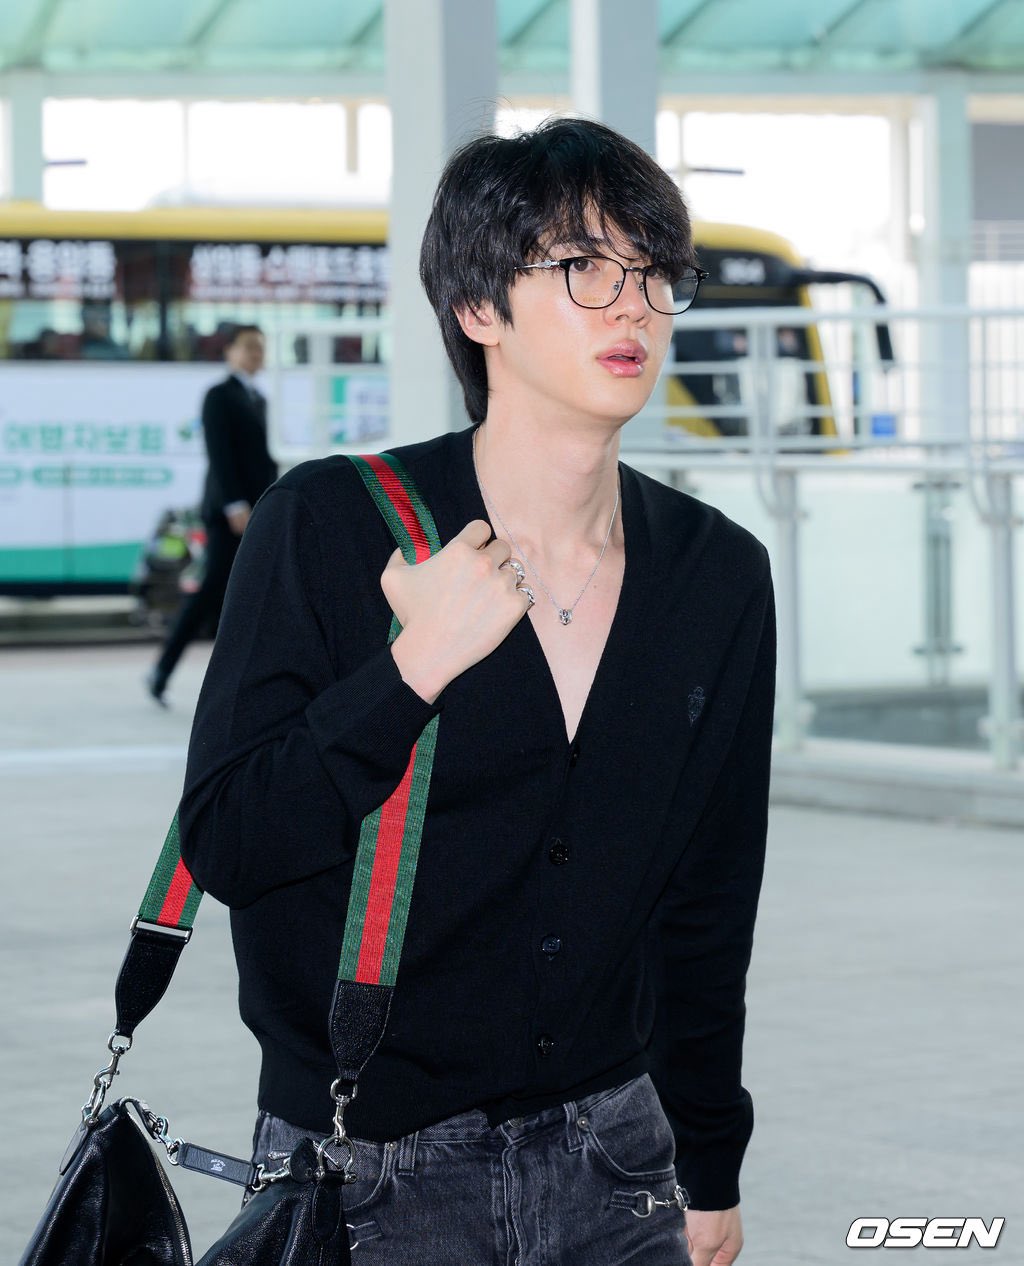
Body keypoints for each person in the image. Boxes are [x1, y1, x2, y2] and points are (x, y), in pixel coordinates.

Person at [178, 118, 775, 1266]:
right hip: (367, 1173)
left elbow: (706, 904)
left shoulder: (717, 573)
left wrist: (709, 1157)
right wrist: (413, 670)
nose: (633, 308)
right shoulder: (330, 525)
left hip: (617, 1164)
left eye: (655, 272)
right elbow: (231, 843)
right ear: (476, 308)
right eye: (584, 267)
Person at [147, 323, 278, 704]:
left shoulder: (260, 398)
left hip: (257, 509)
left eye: (260, 347)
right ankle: (162, 670)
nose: (256, 354)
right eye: (249, 346)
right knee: (211, 592)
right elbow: (219, 454)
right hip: (228, 514)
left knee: (254, 595)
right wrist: (234, 504)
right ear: (229, 352)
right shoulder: (219, 396)